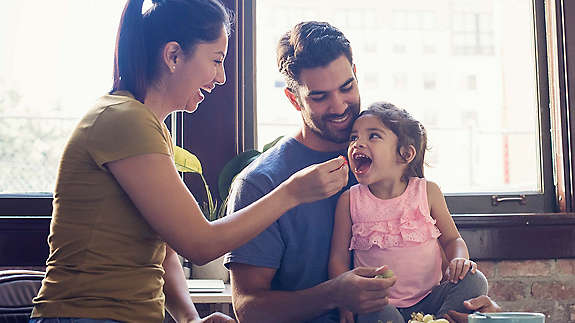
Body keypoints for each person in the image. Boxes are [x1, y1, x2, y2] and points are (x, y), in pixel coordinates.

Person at [29, 1, 349, 323]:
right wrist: (292, 192)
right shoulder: (124, 120)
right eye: (216, 60)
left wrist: (189, 319)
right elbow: (199, 243)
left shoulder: (147, 126)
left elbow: (166, 250)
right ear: (173, 56)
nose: (222, 77)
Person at [223, 21, 396, 323]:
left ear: (356, 74)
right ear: (294, 99)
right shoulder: (260, 183)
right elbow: (248, 308)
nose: (340, 105)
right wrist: (333, 294)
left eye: (347, 87)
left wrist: (457, 301)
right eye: (320, 97)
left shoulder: (391, 155)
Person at [328, 102, 488, 323]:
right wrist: (344, 302)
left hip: (430, 300)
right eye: (354, 137)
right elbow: (338, 259)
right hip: (379, 305)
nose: (358, 144)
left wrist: (460, 260)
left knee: (475, 280)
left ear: (405, 154)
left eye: (373, 136)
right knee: (371, 309)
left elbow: (453, 240)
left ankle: (438, 321)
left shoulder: (427, 191)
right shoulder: (349, 200)